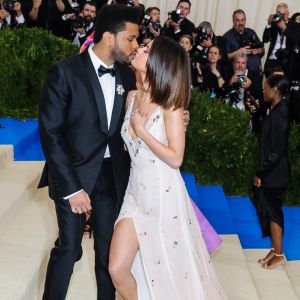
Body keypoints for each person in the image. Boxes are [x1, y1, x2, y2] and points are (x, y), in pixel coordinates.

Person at [108, 35, 228, 300]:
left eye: (147, 49)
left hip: (164, 201)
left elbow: (176, 158)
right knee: (117, 269)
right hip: (135, 195)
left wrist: (143, 131)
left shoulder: (172, 106)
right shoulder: (131, 97)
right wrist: (135, 136)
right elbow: (130, 148)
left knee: (171, 278)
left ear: (159, 62)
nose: (140, 49)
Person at [38, 5, 142, 300]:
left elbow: (140, 114)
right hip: (73, 175)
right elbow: (52, 134)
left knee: (108, 253)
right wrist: (72, 190)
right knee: (69, 247)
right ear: (109, 37)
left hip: (112, 177)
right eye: (131, 39)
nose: (135, 46)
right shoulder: (63, 72)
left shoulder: (126, 75)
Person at [253, 74, 291, 269]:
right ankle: (275, 250)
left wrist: (260, 173)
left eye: (266, 87)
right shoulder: (276, 110)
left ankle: (279, 254)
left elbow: (275, 152)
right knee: (270, 211)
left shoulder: (281, 114)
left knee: (274, 213)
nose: (263, 90)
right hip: (273, 172)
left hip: (275, 174)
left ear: (275, 89)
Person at [223, 9, 264, 74]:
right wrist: (238, 52)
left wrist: (259, 51)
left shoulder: (251, 32)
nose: (240, 23)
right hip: (237, 74)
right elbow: (224, 57)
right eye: (237, 20)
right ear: (233, 21)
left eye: (242, 20)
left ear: (245, 21)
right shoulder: (227, 37)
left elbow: (262, 49)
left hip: (255, 73)